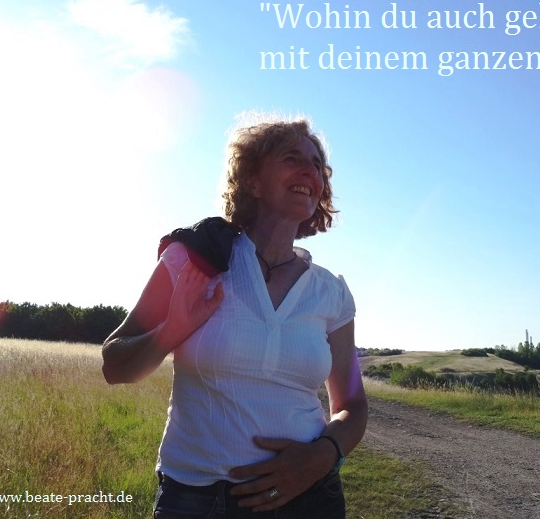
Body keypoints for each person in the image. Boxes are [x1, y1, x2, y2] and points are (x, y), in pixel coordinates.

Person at [101, 115, 367, 519]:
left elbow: (352, 404)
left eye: (316, 165)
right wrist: (171, 331)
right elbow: (114, 366)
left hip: (310, 497)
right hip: (199, 501)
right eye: (291, 158)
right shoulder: (193, 261)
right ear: (252, 181)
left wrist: (322, 456)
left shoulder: (331, 293)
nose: (309, 171)